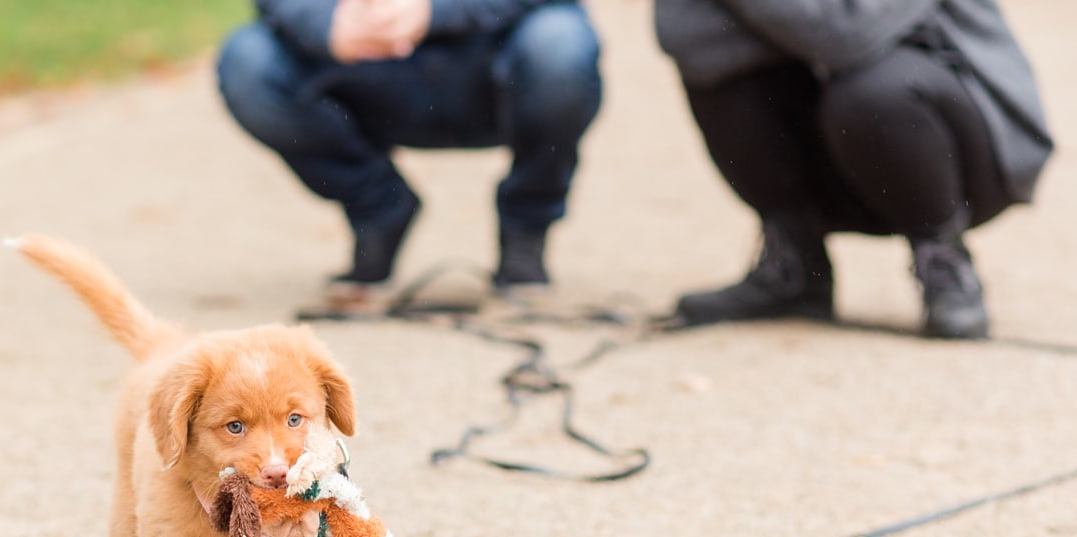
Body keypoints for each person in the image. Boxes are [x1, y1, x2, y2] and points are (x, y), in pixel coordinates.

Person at [654, 0, 1053, 339]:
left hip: (961, 155)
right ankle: (793, 265)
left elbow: (848, 33)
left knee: (871, 92)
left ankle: (944, 263)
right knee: (717, 77)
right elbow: (685, 35)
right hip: (836, 150)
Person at [216, 0, 603, 305]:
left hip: (494, 57)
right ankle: (378, 206)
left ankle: (526, 229)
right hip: (364, 62)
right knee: (249, 60)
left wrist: (434, 9)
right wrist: (326, 22)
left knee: (560, 43)